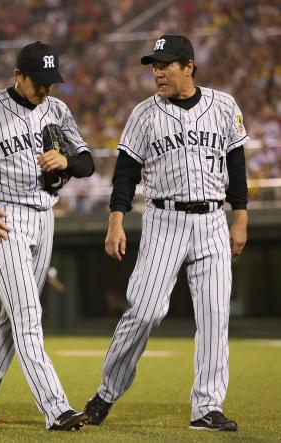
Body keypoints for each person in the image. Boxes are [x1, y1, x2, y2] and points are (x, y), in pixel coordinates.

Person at [83, 34, 248, 432]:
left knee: (214, 316)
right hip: (164, 219)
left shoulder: (224, 106)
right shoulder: (144, 114)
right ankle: (106, 392)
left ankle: (207, 408)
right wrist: (116, 219)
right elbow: (125, 174)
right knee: (146, 310)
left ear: (189, 65)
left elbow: (237, 168)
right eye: (154, 65)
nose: (158, 72)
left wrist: (239, 217)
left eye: (166, 64)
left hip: (212, 221)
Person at [0, 41, 94, 431]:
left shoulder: (57, 109)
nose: (45, 89)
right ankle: (56, 409)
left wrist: (67, 162)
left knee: (13, 318)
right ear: (17, 76)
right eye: (38, 81)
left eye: (50, 81)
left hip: (46, 216)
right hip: (2, 216)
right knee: (28, 314)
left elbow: (87, 162)